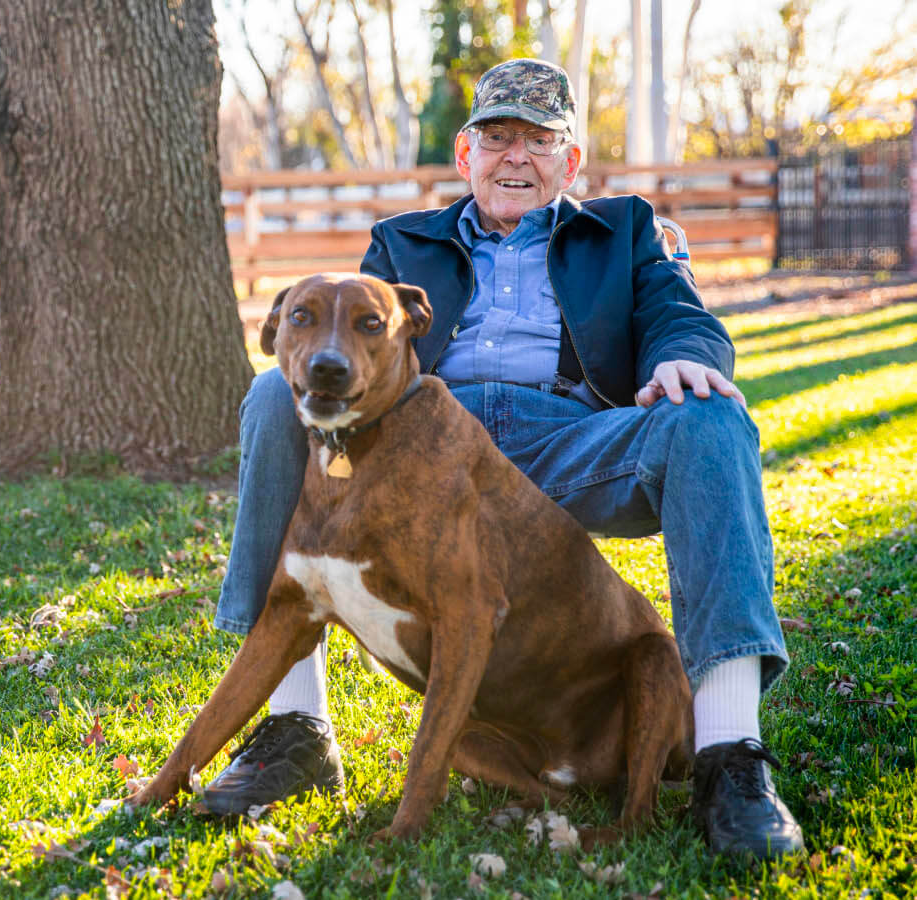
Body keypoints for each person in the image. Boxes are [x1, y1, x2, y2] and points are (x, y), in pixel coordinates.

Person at [204, 58, 803, 859]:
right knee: (273, 396)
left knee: (712, 420)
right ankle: (295, 727)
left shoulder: (623, 231)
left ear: (570, 160)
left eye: (539, 139)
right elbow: (349, 349)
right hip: (432, 453)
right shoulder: (403, 243)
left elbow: (678, 313)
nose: (516, 155)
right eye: (497, 136)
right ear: (466, 155)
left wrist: (682, 357)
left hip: (570, 442)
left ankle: (730, 755)